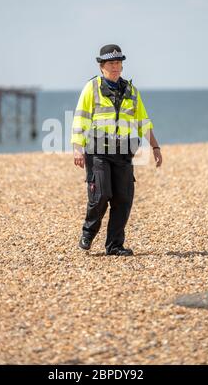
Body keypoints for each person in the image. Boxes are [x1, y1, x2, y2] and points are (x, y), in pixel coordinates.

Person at [71, 44, 162, 256]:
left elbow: (143, 122)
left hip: (123, 153)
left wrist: (155, 146)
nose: (116, 66)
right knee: (101, 194)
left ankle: (114, 245)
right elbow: (80, 119)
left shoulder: (131, 91)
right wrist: (77, 148)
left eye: (119, 63)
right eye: (111, 63)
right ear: (102, 66)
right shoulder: (91, 88)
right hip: (97, 152)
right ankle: (88, 232)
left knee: (123, 199)